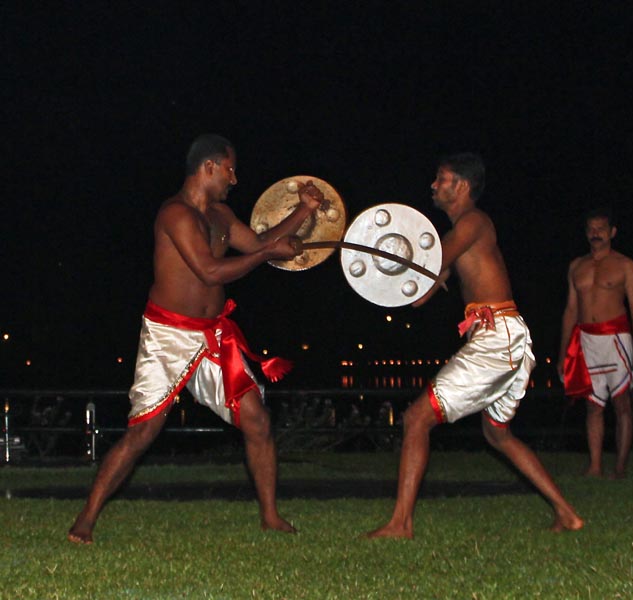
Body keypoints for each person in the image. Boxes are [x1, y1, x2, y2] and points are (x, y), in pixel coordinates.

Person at [68, 134, 324, 544]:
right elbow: (210, 271)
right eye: (230, 169)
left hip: (213, 336)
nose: (234, 179)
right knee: (143, 433)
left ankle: (271, 516)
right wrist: (265, 256)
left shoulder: (220, 215)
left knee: (257, 418)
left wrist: (305, 209)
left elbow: (260, 241)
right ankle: (86, 518)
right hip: (168, 336)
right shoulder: (176, 215)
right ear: (209, 167)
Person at [366, 153, 584, 539]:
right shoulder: (457, 235)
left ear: (462, 187)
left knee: (417, 419)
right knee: (497, 434)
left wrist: (387, 251)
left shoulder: (473, 222)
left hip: (498, 338)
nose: (433, 185)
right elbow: (417, 295)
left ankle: (401, 523)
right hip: (503, 337)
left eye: (441, 179)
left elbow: (432, 263)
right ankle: (568, 515)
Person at [557, 208, 633, 478]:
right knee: (593, 405)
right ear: (586, 232)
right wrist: (563, 351)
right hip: (586, 338)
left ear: (612, 232)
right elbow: (570, 310)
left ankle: (620, 466)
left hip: (616, 336)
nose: (596, 233)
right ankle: (595, 465)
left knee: (622, 403)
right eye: (592, 228)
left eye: (601, 228)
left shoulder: (625, 265)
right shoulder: (576, 266)